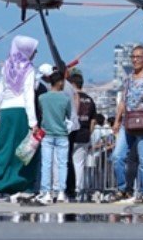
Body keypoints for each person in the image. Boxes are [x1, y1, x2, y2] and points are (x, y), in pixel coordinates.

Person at [0, 35, 40, 197]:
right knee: (24, 151)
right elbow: (29, 94)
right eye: (33, 50)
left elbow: (1, 91)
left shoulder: (7, 65)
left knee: (3, 148)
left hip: (6, 111)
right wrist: (33, 121)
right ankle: (21, 184)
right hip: (21, 111)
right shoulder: (28, 68)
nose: (35, 53)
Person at [114, 45, 143, 202]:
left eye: (138, 57)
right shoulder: (128, 78)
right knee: (117, 156)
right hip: (128, 121)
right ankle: (122, 188)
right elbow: (123, 101)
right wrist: (117, 120)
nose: (135, 60)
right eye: (133, 56)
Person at [33, 69, 71, 204]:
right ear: (60, 82)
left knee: (46, 164)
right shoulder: (66, 98)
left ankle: (46, 192)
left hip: (47, 134)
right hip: (62, 134)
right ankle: (61, 192)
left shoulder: (42, 98)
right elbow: (69, 116)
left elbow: (42, 112)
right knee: (62, 164)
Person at [67, 69, 96, 201]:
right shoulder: (89, 99)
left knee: (67, 162)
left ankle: (68, 188)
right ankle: (78, 188)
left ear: (72, 84)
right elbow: (93, 120)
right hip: (84, 134)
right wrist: (89, 133)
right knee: (79, 164)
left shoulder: (70, 97)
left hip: (71, 133)